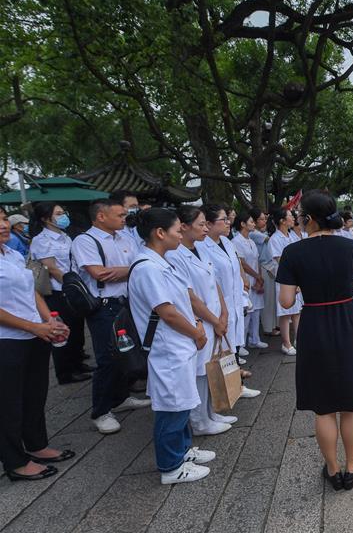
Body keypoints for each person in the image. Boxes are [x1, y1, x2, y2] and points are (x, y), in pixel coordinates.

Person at [277, 190, 353, 491]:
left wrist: (304, 284)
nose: (298, 219)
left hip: (313, 324)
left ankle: (333, 470)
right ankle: (351, 467)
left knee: (323, 407)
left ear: (308, 219)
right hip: (347, 322)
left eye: (300, 215)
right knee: (351, 404)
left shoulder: (293, 253)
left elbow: (286, 301)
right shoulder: (349, 246)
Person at [129, 208, 215, 484]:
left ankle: (183, 451)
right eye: (178, 230)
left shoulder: (161, 262)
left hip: (180, 344)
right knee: (172, 408)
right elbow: (167, 312)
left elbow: (182, 302)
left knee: (183, 403)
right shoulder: (147, 268)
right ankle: (171, 467)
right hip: (169, 348)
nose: (181, 234)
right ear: (160, 233)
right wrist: (197, 333)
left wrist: (195, 326)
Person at [0, 205, 74, 481]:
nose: (3, 225)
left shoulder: (11, 254)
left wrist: (50, 322)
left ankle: (36, 444)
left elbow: (32, 292)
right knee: (8, 402)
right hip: (7, 340)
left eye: (4, 219)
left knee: (35, 393)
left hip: (35, 333)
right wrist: (34, 326)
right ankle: (15, 461)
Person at [72, 199, 150, 434]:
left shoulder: (125, 237)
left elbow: (140, 264)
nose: (125, 219)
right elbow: (100, 274)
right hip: (104, 306)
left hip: (127, 302)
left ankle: (120, 397)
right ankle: (101, 411)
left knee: (127, 353)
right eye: (119, 215)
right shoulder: (85, 241)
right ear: (101, 216)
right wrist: (134, 269)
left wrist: (126, 271)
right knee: (107, 358)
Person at [167, 206, 235, 436]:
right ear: (184, 227)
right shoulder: (175, 255)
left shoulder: (200, 248)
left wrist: (224, 313)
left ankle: (211, 413)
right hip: (200, 320)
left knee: (210, 369)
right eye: (201, 224)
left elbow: (214, 282)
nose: (206, 228)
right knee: (199, 372)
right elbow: (190, 297)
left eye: (206, 224)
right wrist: (215, 320)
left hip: (214, 317)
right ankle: (199, 422)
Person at [29, 202, 90, 385]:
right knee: (62, 330)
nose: (63, 216)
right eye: (58, 213)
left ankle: (78, 363)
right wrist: (73, 285)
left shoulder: (64, 236)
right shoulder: (41, 240)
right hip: (58, 291)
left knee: (77, 329)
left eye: (63, 212)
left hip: (72, 288)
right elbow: (53, 269)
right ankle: (65, 372)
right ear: (45, 218)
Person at [203, 205, 260, 399]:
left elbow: (236, 268)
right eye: (224, 220)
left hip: (234, 302)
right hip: (218, 306)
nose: (229, 223)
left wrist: (243, 284)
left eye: (228, 219)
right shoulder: (203, 247)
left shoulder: (226, 242)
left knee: (233, 346)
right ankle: (226, 390)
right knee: (221, 350)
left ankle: (237, 386)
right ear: (209, 224)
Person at [268, 207, 301, 355]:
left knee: (297, 311)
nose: (293, 218)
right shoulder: (275, 239)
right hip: (285, 280)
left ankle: (299, 339)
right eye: (290, 216)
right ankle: (286, 344)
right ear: (282, 220)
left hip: (296, 278)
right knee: (286, 313)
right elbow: (281, 261)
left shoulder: (292, 235)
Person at [232, 212, 267, 349]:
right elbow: (242, 263)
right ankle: (241, 345)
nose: (253, 224)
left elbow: (256, 260)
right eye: (251, 222)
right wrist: (256, 276)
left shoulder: (251, 241)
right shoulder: (236, 241)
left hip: (256, 278)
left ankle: (255, 339)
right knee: (247, 312)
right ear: (242, 224)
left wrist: (259, 278)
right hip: (245, 279)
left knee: (256, 311)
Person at [249, 209, 278, 337]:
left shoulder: (260, 233)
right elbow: (269, 240)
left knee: (270, 299)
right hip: (264, 267)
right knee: (267, 300)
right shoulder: (254, 234)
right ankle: (268, 328)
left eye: (265, 219)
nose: (264, 221)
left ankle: (272, 325)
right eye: (261, 219)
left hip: (268, 267)